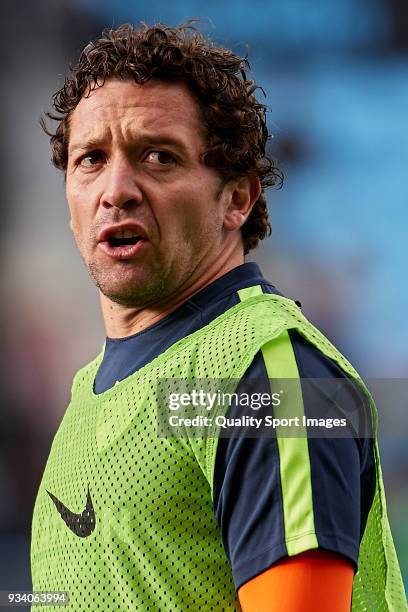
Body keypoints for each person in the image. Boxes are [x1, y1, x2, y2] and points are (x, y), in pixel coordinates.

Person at [31, 23, 407, 611]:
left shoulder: (277, 381)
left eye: (158, 156)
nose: (116, 189)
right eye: (91, 159)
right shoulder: (91, 390)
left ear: (236, 199)